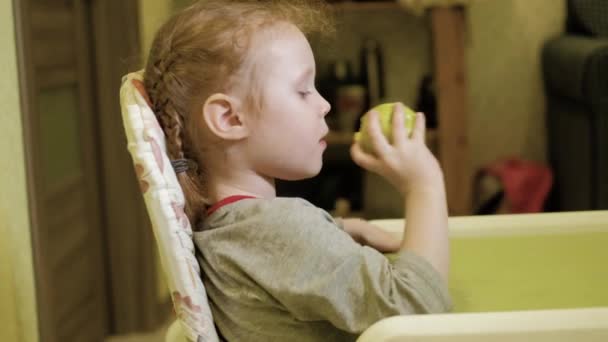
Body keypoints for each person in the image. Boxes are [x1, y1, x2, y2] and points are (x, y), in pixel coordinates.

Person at [143, 1, 450, 341]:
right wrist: (424, 186)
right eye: (303, 91)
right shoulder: (279, 229)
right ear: (229, 119)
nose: (325, 104)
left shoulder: (221, 228)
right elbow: (419, 312)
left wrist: (338, 230)